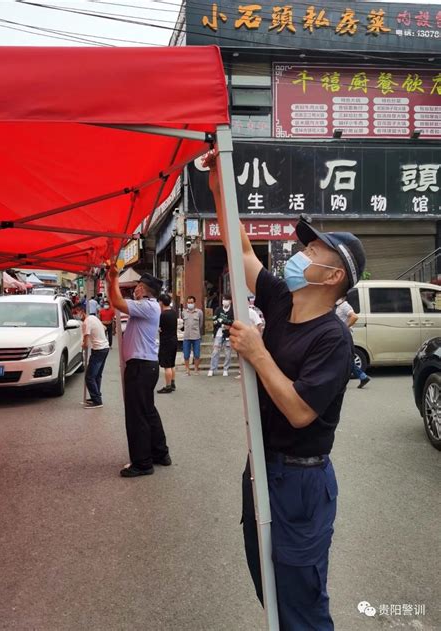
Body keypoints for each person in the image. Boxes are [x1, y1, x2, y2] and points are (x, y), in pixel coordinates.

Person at [204, 150, 366, 630]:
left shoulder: (333, 339)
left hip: (300, 483)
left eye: (314, 251)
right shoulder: (280, 298)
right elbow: (243, 252)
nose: (301, 254)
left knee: (301, 600)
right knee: (268, 587)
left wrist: (256, 353)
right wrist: (218, 187)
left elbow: (299, 412)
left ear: (334, 277)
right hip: (261, 467)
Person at [106, 268, 171, 478]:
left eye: (136, 287)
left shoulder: (147, 306)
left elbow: (116, 302)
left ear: (142, 289)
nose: (134, 290)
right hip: (145, 366)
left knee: (137, 416)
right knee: (147, 411)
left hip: (141, 367)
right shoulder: (148, 307)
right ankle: (160, 453)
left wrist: (114, 279)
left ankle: (143, 463)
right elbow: (116, 300)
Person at [76, 305, 109, 409]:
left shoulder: (86, 322)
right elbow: (104, 328)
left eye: (75, 312)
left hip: (99, 350)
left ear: (81, 311)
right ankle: (96, 397)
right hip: (105, 347)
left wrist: (83, 344)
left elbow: (85, 343)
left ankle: (97, 401)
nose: (75, 315)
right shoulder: (93, 317)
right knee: (97, 376)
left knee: (89, 377)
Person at [336, 298, 370, 389]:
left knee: (341, 357)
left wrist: (345, 328)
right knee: (343, 358)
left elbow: (354, 317)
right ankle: (363, 377)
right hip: (339, 336)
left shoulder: (344, 305)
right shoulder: (336, 307)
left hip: (343, 336)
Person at [208, 294, 234, 377]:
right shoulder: (218, 309)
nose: (224, 301)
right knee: (215, 351)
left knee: (228, 352)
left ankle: (226, 369)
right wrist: (222, 323)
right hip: (219, 333)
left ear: (230, 301)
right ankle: (212, 369)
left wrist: (223, 321)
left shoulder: (233, 310)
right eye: (223, 299)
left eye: (226, 299)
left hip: (229, 334)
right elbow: (215, 321)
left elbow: (232, 321)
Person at [157, 293, 178, 394]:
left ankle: (168, 386)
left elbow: (160, 328)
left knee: (167, 366)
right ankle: (173, 383)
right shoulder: (174, 313)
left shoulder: (163, 315)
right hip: (174, 339)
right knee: (172, 363)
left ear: (161, 302)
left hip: (166, 341)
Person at [182, 295, 203, 376]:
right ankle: (187, 370)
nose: (190, 304)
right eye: (189, 302)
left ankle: (196, 369)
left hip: (196, 336)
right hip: (186, 336)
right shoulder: (184, 312)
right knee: (186, 354)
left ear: (194, 303)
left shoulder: (199, 312)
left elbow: (200, 324)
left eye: (191, 302)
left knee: (197, 354)